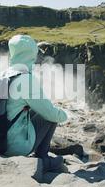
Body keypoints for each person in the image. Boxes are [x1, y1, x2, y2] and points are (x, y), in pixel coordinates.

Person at [4, 35, 68, 172]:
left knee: (35, 110)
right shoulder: (25, 80)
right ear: (31, 54)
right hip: (13, 147)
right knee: (50, 116)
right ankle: (43, 159)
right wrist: (64, 115)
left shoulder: (5, 75)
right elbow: (51, 114)